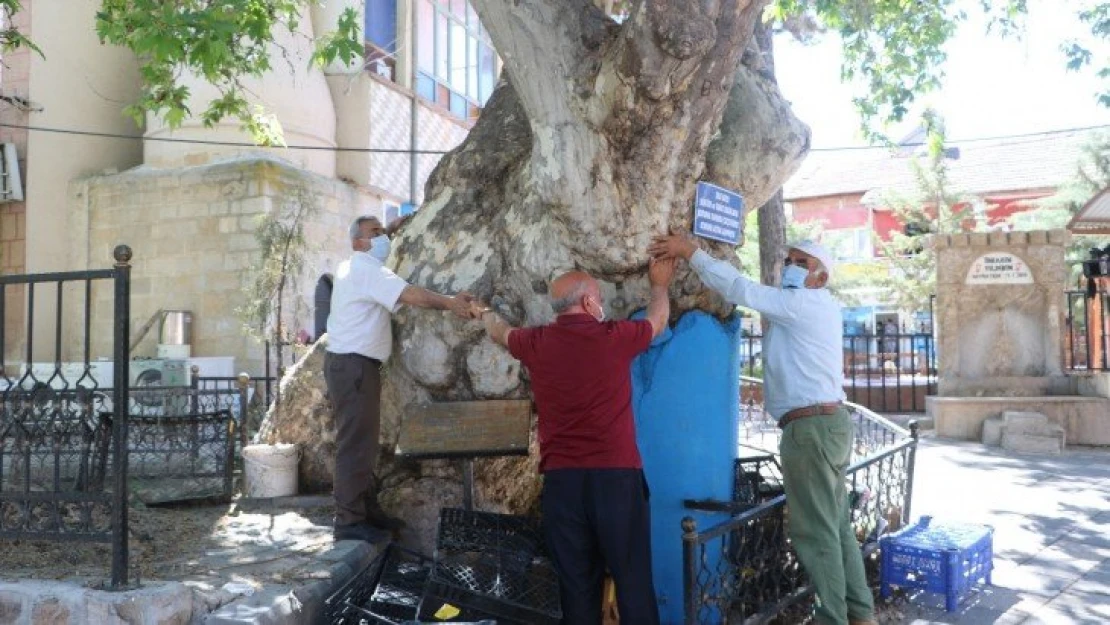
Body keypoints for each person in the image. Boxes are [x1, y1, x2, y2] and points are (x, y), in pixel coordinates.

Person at [649, 234, 876, 625]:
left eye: (801, 262)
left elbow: (740, 288)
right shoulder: (816, 306)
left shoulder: (802, 304)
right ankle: (860, 614)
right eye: (789, 258)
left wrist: (691, 252)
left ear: (820, 278)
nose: (790, 265)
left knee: (814, 532)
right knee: (835, 526)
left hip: (811, 431)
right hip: (827, 425)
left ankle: (832, 619)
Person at [474, 258, 675, 625]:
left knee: (577, 587)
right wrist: (659, 284)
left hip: (563, 484)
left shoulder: (535, 342)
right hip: (615, 479)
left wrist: (483, 310)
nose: (601, 305)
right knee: (632, 581)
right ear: (587, 303)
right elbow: (657, 321)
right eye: (598, 298)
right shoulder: (613, 337)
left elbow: (499, 331)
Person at [326, 215, 476, 543]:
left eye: (383, 232)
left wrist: (391, 229)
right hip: (353, 367)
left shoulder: (351, 266)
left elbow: (380, 252)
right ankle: (349, 522)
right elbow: (411, 295)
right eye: (374, 233)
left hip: (352, 366)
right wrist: (450, 303)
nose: (382, 238)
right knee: (355, 444)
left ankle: (362, 510)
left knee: (363, 442)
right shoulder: (367, 270)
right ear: (358, 243)